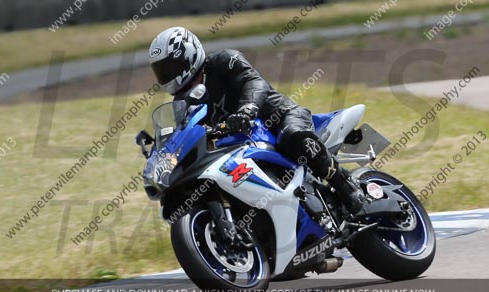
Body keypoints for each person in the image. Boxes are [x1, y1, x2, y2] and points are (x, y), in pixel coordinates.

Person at [148, 26, 367, 215]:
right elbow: (186, 133)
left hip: (279, 118)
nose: (167, 76)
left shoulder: (224, 60)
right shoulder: (182, 103)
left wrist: (247, 110)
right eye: (161, 72)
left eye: (170, 68)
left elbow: (253, 82)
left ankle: (346, 185)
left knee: (293, 137)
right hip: (240, 144)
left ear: (188, 55)